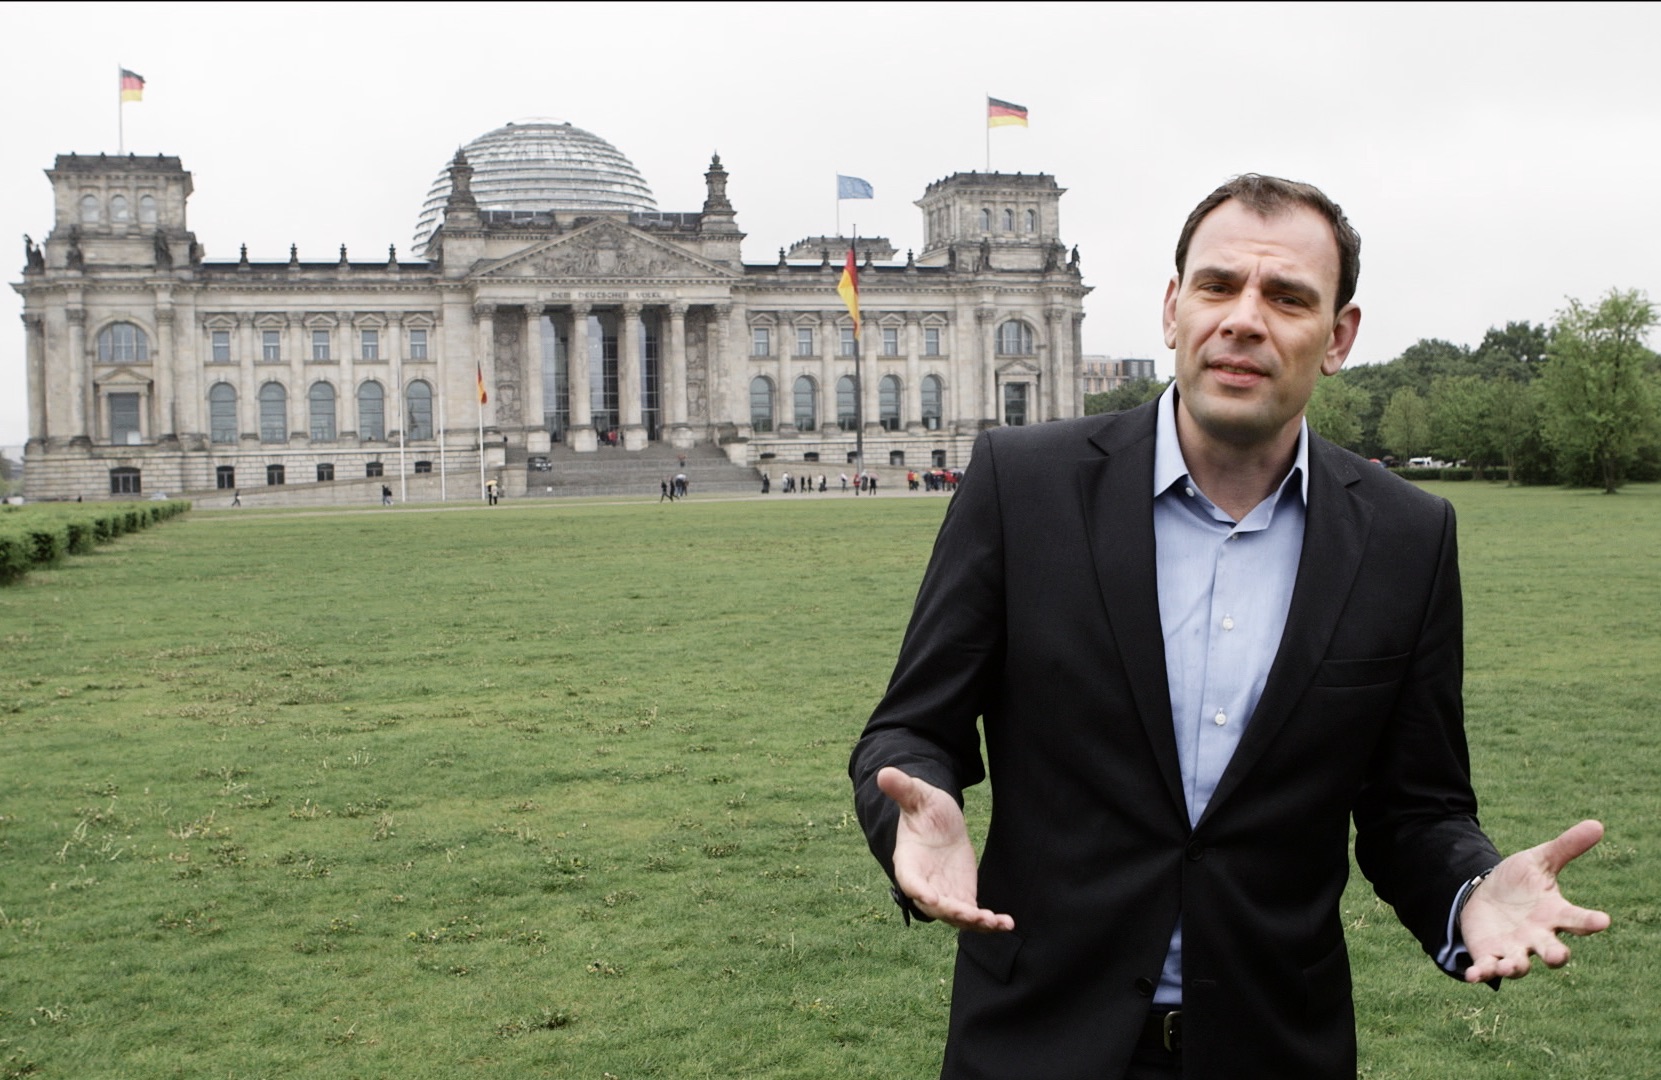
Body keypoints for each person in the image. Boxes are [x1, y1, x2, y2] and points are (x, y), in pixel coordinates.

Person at [849, 174, 1609, 1080]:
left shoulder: (1406, 535)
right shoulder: (1023, 486)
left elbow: (1416, 807)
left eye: (1286, 297)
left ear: (1337, 338)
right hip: (1036, 1039)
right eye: (1217, 286)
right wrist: (909, 820)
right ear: (1173, 309)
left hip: (1273, 1046)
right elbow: (910, 729)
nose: (1243, 319)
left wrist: (1466, 889)